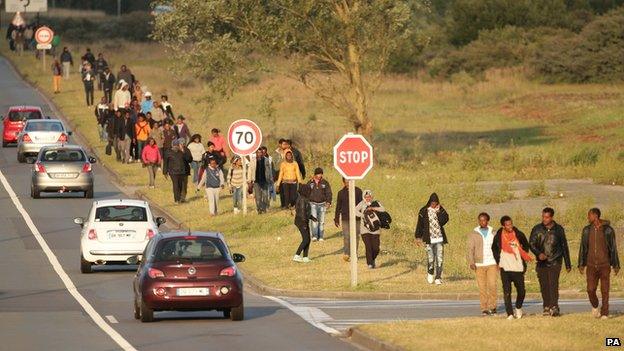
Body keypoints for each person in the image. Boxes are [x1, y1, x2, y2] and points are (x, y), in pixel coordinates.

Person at [578, 208, 620, 319]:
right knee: (590, 289)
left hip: (604, 265)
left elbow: (613, 248)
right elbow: (583, 247)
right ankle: (595, 305)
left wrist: (616, 264)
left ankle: (605, 312)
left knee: (605, 290)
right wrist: (581, 263)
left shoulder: (608, 230)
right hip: (591, 265)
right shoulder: (586, 230)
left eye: (589, 215)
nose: (588, 218)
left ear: (595, 216)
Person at [529, 207, 572, 317]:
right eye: (543, 216)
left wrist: (567, 263)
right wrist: (539, 254)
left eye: (547, 217)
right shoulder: (537, 229)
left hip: (555, 261)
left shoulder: (558, 229)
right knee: (544, 285)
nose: (544, 219)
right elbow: (531, 244)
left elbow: (564, 246)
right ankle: (546, 306)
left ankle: (554, 306)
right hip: (541, 262)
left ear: (551, 217)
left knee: (553, 284)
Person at [492, 216, 532, 320]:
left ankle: (518, 307)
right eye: (508, 225)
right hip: (505, 268)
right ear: (503, 226)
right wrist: (498, 260)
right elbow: (494, 248)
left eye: (511, 224)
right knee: (507, 291)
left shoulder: (518, 233)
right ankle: (509, 314)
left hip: (517, 267)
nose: (510, 226)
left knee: (521, 291)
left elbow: (526, 244)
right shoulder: (499, 235)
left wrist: (522, 254)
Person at [467, 213, 498, 316]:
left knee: (492, 285)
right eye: (480, 220)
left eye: (484, 220)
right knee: (482, 287)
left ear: (487, 221)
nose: (482, 222)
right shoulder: (474, 234)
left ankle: (493, 307)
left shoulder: (493, 233)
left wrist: (500, 261)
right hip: (479, 264)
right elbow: (470, 249)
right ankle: (484, 308)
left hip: (492, 263)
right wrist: (471, 262)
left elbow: (498, 248)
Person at [415, 193, 450, 285]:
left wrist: (438, 212)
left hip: (439, 239)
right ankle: (430, 273)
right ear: (430, 202)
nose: (434, 204)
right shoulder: (423, 211)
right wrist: (418, 237)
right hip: (429, 239)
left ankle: (438, 277)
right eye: (432, 202)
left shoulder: (440, 210)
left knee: (440, 259)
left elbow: (444, 220)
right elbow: (420, 225)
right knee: (431, 258)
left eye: (436, 203)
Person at [334, 178, 363, 262]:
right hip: (345, 218)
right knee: (346, 236)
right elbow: (338, 206)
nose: (348, 184)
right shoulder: (341, 193)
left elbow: (362, 205)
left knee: (356, 236)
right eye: (346, 182)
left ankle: (355, 254)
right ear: (343, 182)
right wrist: (336, 218)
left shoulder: (358, 191)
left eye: (349, 182)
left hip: (356, 218)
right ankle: (347, 253)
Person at [355, 190, 385, 269]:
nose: (368, 198)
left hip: (376, 230)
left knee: (376, 248)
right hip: (364, 229)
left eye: (369, 197)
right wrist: (363, 215)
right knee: (368, 246)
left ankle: (373, 259)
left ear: (371, 197)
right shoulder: (361, 203)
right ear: (363, 197)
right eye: (366, 197)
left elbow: (383, 209)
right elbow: (354, 210)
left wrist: (374, 208)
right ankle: (370, 264)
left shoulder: (376, 203)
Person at [307, 168, 332, 242]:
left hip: (322, 204)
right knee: (314, 220)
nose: (320, 175)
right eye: (318, 174)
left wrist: (328, 202)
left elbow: (329, 193)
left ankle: (321, 236)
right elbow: (306, 191)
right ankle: (314, 236)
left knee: (321, 221)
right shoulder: (310, 182)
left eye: (321, 174)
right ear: (315, 174)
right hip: (313, 204)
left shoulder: (325, 183)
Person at [293, 185, 317, 263]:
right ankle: (297, 255)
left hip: (303, 221)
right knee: (306, 239)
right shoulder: (303, 199)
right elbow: (303, 212)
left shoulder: (303, 198)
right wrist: (304, 224)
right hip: (301, 221)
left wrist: (312, 218)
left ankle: (305, 257)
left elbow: (305, 212)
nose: (310, 192)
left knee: (308, 239)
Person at [166, 138, 192, 204]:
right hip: (173, 172)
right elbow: (166, 163)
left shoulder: (183, 151)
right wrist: (165, 172)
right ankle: (176, 199)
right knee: (175, 185)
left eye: (177, 145)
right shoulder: (168, 152)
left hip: (182, 171)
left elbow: (189, 159)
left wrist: (183, 151)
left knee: (181, 185)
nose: (176, 146)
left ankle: (180, 198)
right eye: (174, 145)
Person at [248, 148, 273, 214]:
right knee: (258, 197)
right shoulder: (253, 161)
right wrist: (249, 181)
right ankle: (259, 209)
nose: (259, 154)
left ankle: (264, 209)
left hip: (265, 181)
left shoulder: (266, 160)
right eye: (258, 152)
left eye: (261, 152)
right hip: (256, 181)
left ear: (262, 153)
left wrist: (270, 179)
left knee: (265, 196)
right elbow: (250, 171)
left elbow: (269, 170)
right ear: (256, 153)